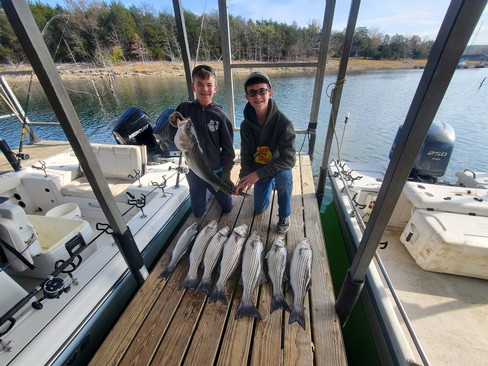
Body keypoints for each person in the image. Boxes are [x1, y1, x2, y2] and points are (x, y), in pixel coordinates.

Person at [167, 64, 235, 219]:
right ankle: (206, 192)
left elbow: (228, 151)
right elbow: (171, 137)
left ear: (215, 88)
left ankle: (212, 190)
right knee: (198, 213)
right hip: (194, 171)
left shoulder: (221, 118)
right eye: (200, 84)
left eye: (209, 85)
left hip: (215, 171)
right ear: (193, 87)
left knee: (228, 207)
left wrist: (226, 174)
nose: (204, 89)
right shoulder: (184, 108)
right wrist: (172, 124)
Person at [235, 71, 296, 234]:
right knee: (260, 209)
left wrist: (258, 174)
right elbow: (246, 155)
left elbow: (289, 159)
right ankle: (269, 183)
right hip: (259, 170)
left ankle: (284, 215)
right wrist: (243, 178)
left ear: (270, 92)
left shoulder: (284, 123)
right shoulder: (245, 126)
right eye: (252, 92)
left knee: (284, 177)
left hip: (277, 167)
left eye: (262, 90)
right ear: (246, 96)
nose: (258, 96)